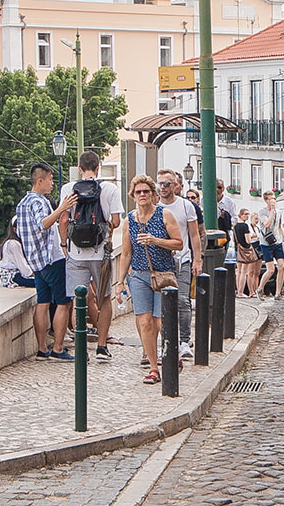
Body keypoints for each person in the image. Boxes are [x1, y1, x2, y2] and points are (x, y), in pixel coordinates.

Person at [116, 174, 182, 384]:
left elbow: (178, 243)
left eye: (146, 191)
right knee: (145, 323)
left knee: (161, 321)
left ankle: (173, 354)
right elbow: (126, 254)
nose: (142, 195)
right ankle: (154, 368)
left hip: (163, 275)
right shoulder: (130, 220)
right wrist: (120, 282)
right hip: (138, 275)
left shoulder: (164, 215)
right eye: (138, 192)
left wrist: (155, 241)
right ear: (133, 196)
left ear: (153, 194)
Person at [58, 151, 124, 363]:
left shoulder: (68, 189)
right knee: (104, 298)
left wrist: (64, 244)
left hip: (76, 253)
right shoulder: (109, 189)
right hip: (101, 253)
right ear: (98, 167)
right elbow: (116, 221)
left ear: (79, 168)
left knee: (78, 300)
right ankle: (102, 346)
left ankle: (81, 349)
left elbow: (64, 220)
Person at [16, 162, 77, 361]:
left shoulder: (22, 203)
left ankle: (42, 348)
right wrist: (62, 209)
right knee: (63, 302)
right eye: (50, 180)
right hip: (51, 258)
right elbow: (43, 223)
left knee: (42, 302)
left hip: (35, 260)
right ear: (40, 180)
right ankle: (58, 348)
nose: (52, 184)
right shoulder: (39, 202)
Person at [156, 169, 202, 361]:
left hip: (183, 259)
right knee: (162, 305)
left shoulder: (186, 206)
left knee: (183, 300)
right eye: (160, 184)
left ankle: (184, 341)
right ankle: (165, 342)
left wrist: (197, 259)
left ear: (175, 185)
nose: (163, 187)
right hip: (161, 261)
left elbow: (194, 234)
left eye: (167, 184)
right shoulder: (154, 206)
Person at [255, 190, 284, 299]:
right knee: (270, 270)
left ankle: (278, 293)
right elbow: (267, 224)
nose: (273, 201)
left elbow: (279, 226)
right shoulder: (262, 212)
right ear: (266, 201)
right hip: (266, 243)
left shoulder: (279, 212)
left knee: (282, 266)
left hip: (277, 241)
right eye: (270, 199)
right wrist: (271, 212)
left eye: (274, 198)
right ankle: (260, 288)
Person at [0, 217, 35, 288]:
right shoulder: (13, 243)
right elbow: (22, 265)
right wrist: (33, 274)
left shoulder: (8, 242)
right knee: (42, 284)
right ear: (15, 229)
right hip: (14, 277)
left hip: (8, 276)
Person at [234, 207, 260, 297]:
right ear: (241, 215)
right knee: (243, 272)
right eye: (245, 214)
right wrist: (252, 236)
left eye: (248, 214)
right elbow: (248, 240)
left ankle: (238, 291)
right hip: (245, 249)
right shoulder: (244, 226)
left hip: (238, 249)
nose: (247, 216)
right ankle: (241, 292)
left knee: (239, 271)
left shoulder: (235, 226)